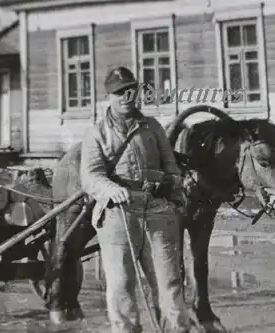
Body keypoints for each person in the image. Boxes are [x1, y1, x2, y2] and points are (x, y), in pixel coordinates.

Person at [80, 66, 191, 333]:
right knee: (121, 284)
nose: (126, 97)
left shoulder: (152, 127)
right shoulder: (97, 133)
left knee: (169, 282)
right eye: (119, 93)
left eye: (131, 91)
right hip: (118, 213)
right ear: (109, 96)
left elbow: (172, 168)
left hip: (157, 211)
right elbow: (90, 177)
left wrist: (173, 193)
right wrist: (109, 189)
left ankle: (177, 329)